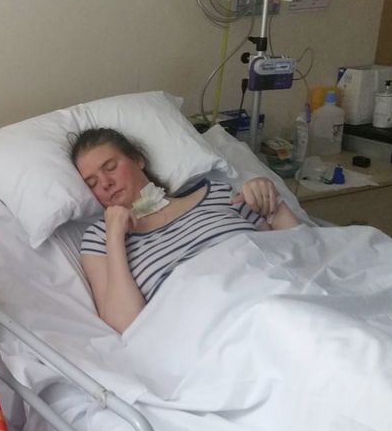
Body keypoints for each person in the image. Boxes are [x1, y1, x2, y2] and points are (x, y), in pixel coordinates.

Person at [71, 127, 301, 333]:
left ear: (138, 160)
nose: (105, 183)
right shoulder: (100, 238)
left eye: (110, 167)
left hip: (279, 296)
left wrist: (270, 198)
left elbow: (299, 253)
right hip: (214, 330)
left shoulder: (219, 194)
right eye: (92, 183)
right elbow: (126, 325)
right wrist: (114, 237)